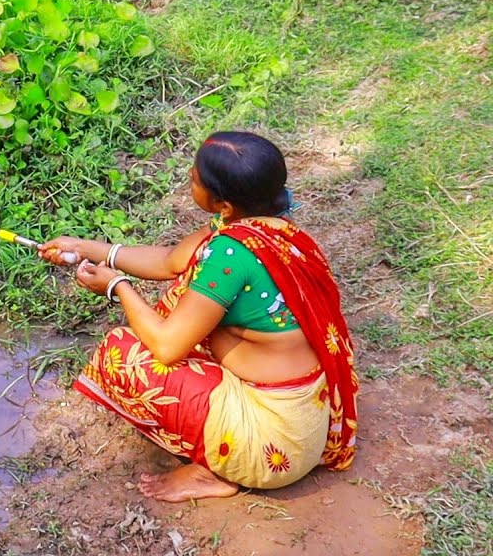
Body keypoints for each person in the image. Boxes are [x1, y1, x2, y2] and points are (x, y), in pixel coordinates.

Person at [38, 131, 358, 502]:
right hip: (304, 422)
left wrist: (118, 288)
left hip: (271, 447)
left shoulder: (229, 255)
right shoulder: (268, 226)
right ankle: (224, 442)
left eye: (193, 178)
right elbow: (169, 261)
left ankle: (218, 471)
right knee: (182, 293)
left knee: (122, 352)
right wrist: (82, 247)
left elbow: (167, 347)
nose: (189, 177)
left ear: (221, 203)